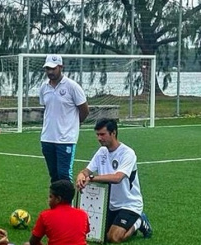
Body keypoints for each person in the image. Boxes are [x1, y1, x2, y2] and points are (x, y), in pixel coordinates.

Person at [76, 118, 153, 243]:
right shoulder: (101, 152)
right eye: (97, 134)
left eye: (102, 134)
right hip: (110, 205)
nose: (99, 138)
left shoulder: (128, 153)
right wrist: (81, 175)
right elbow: (87, 170)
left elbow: (117, 178)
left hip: (129, 204)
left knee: (114, 238)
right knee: (97, 235)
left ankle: (139, 221)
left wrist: (91, 178)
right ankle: (126, 224)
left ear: (113, 133)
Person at [40, 54, 89, 183]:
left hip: (66, 139)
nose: (50, 72)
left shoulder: (72, 87)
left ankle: (67, 203)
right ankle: (57, 203)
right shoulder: (44, 87)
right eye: (47, 69)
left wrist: (75, 124)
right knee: (54, 176)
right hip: (47, 138)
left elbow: (84, 110)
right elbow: (47, 108)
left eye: (53, 68)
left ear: (61, 67)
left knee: (64, 175)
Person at [24, 180, 90, 245]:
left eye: (50, 197)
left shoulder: (45, 215)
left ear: (58, 199)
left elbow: (33, 242)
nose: (48, 200)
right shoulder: (83, 214)